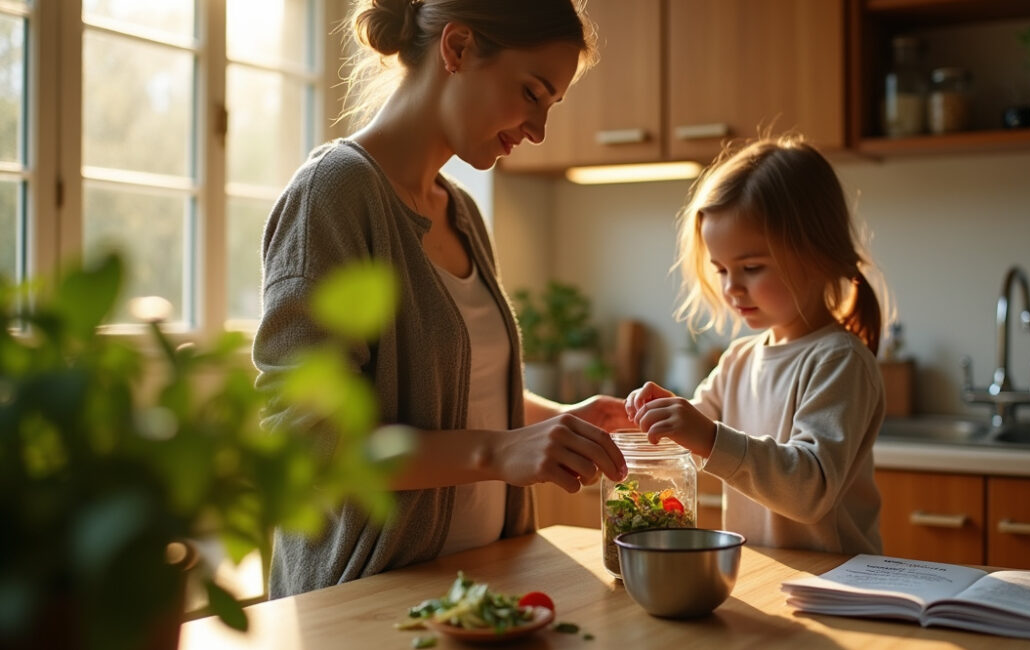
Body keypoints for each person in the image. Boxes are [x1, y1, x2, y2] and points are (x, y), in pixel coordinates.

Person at [253, 0, 630, 599]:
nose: (538, 130)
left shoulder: (461, 211)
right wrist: (499, 452)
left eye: (551, 106)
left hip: (481, 591)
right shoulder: (335, 194)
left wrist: (560, 421)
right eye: (532, 93)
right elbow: (310, 440)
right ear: (456, 49)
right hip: (367, 601)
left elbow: (459, 396)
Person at [625, 136, 886, 555]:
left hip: (840, 587)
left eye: (750, 267)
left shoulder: (839, 361)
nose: (732, 288)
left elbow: (809, 490)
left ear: (817, 253)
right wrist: (640, 419)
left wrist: (706, 436)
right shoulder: (739, 361)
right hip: (765, 577)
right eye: (722, 269)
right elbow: (688, 440)